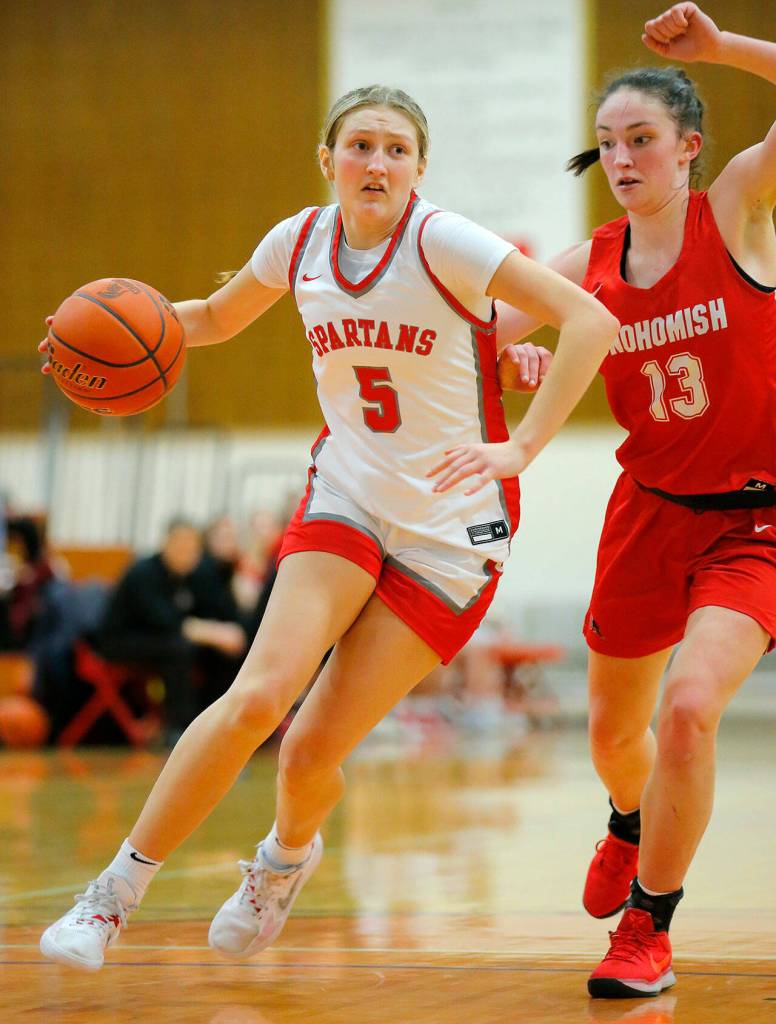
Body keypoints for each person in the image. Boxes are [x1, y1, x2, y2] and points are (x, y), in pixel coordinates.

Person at [37, 83, 618, 971]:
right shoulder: (299, 241)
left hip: (450, 531)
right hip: (345, 496)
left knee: (310, 752)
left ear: (420, 168)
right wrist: (95, 341)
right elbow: (209, 320)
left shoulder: (445, 242)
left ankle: (283, 861)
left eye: (394, 149)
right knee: (259, 697)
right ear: (327, 157)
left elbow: (591, 318)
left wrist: (525, 446)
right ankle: (111, 895)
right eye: (359, 145)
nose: (376, 162)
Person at [497, 3, 776, 999]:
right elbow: (478, 331)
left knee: (689, 711)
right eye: (606, 143)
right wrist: (518, 352)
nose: (620, 158)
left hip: (754, 521)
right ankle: (626, 820)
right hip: (647, 509)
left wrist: (719, 49)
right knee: (616, 739)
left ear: (687, 147)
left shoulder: (736, 206)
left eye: (640, 139)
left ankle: (645, 927)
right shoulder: (585, 269)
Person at [95, 518, 247, 741]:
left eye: (192, 548)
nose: (186, 553)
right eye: (180, 545)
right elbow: (167, 621)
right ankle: (179, 729)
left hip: (163, 641)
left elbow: (217, 612)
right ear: (166, 544)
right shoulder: (143, 573)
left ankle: (217, 725)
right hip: (120, 641)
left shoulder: (195, 575)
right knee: (178, 649)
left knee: (221, 653)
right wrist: (214, 633)